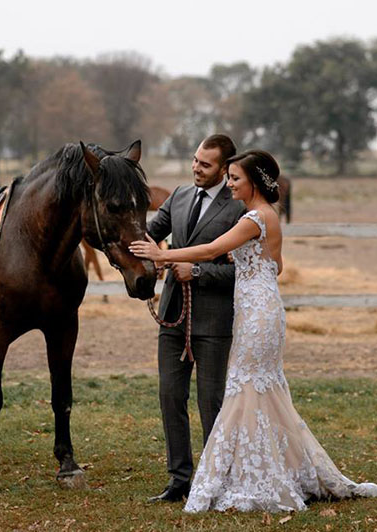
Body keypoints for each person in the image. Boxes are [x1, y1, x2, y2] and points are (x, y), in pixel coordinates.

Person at [130, 150, 377, 513]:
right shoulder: (270, 216)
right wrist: (247, 261)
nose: (230, 183)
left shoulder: (253, 217)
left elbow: (213, 248)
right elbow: (276, 266)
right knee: (262, 390)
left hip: (256, 316)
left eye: (235, 178)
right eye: (230, 177)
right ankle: (263, 467)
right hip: (262, 308)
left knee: (244, 388)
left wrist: (164, 257)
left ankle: (245, 476)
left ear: (253, 181)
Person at [144, 134, 246, 502]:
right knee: (170, 397)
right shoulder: (179, 196)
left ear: (223, 168)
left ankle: (215, 480)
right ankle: (179, 479)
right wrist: (145, 258)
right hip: (173, 317)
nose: (196, 168)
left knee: (211, 403)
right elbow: (148, 236)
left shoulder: (239, 209)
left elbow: (246, 272)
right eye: (194, 160)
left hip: (214, 322)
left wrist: (198, 271)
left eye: (205, 164)